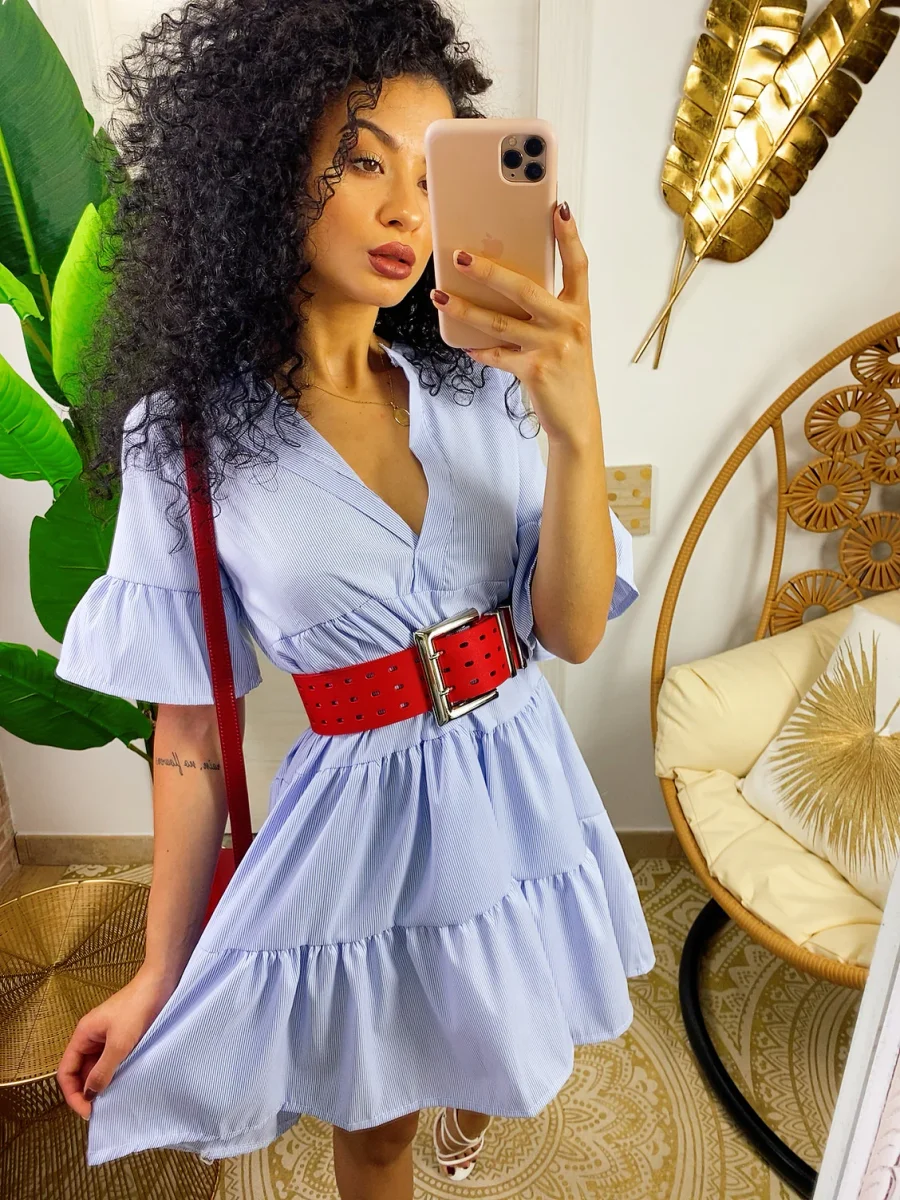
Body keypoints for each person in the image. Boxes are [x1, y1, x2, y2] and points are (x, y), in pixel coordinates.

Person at [53, 1, 654, 1195]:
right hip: (364, 822)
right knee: (376, 1126)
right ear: (267, 172)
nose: (405, 214)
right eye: (364, 163)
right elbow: (189, 732)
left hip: (518, 777)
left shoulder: (484, 390)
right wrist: (160, 971)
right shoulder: (189, 438)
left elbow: (573, 632)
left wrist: (576, 428)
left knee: (498, 1032)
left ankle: (470, 1103)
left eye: (433, 179)